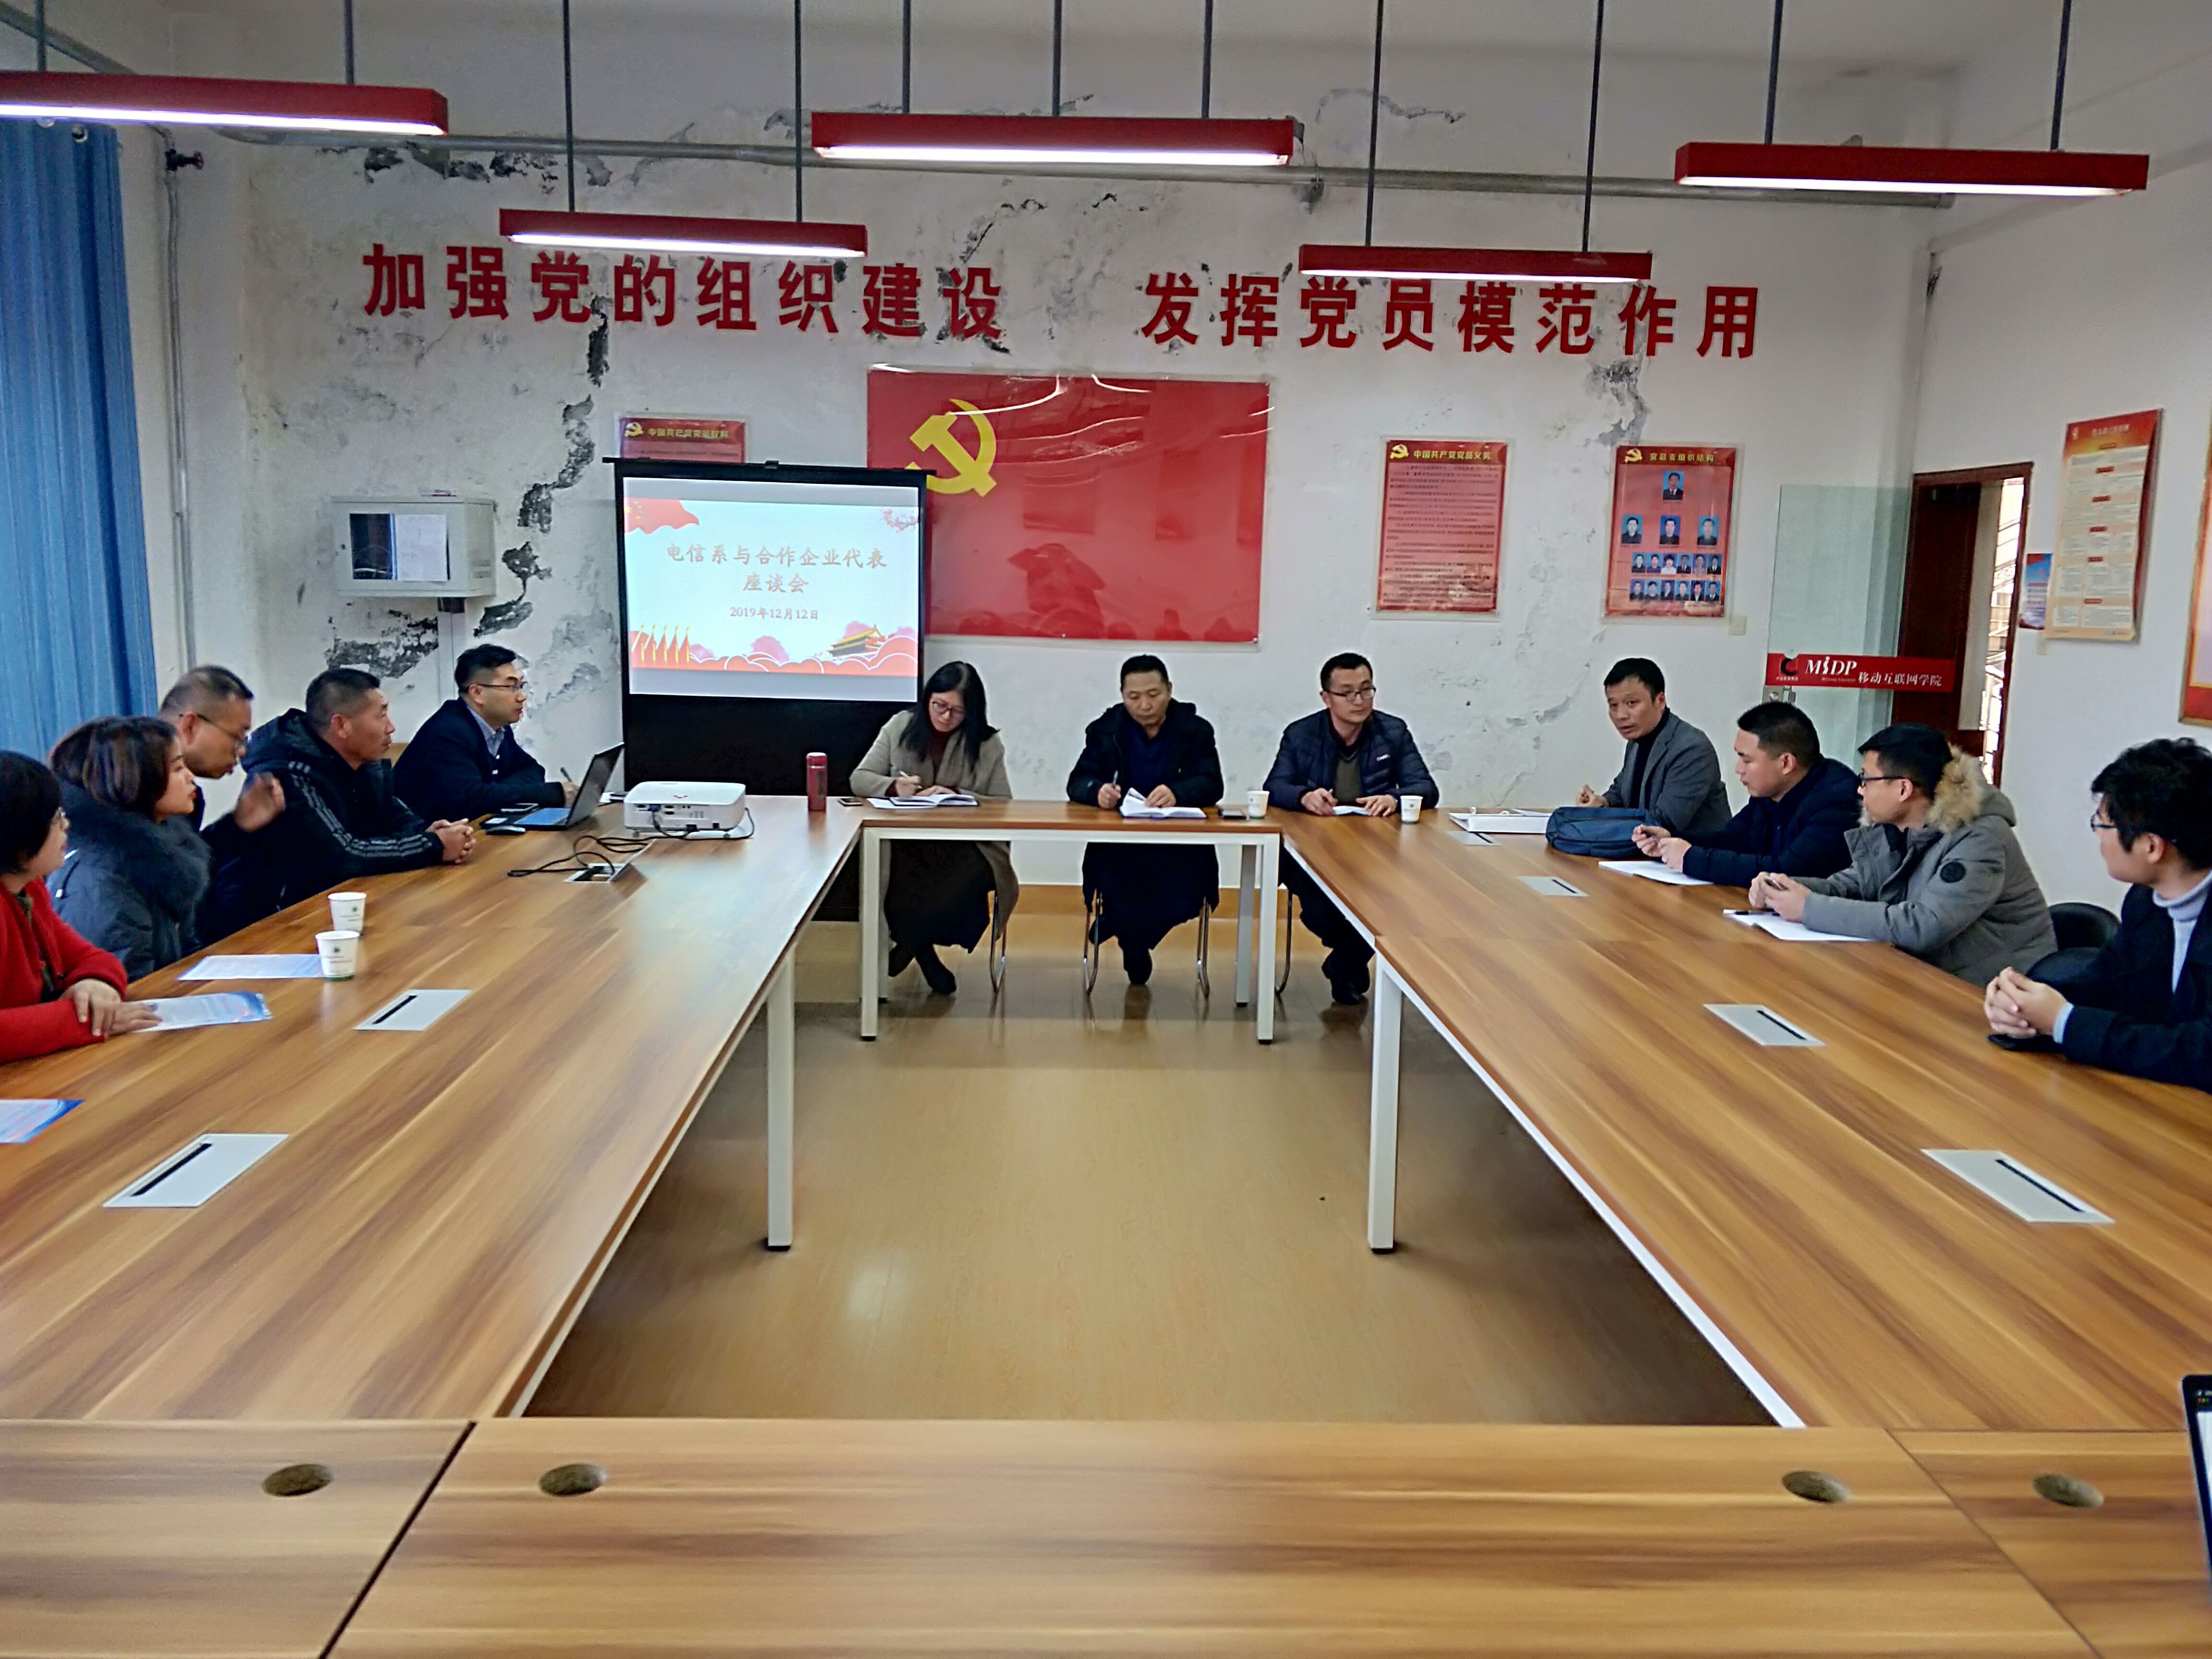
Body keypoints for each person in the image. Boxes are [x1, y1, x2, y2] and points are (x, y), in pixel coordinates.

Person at [1751, 722, 2055, 985]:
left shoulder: (1981, 839)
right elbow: (1854, 885)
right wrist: (1783, 888)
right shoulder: (1898, 827)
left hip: (1992, 994)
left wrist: (1809, 908)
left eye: (1866, 779)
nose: (1859, 790)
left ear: (1903, 789)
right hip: (1923, 976)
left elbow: (1925, 925)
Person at [1987, 738, 2212, 1091]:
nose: (2097, 835)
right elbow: (2113, 985)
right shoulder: (2147, 900)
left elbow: (2202, 1053)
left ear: (2152, 847)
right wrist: (2026, 1004)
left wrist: (2064, 1022)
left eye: (2103, 825)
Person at [211, 668, 474, 932]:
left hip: (343, 907)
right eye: (381, 715)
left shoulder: (360, 761)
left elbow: (396, 819)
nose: (391, 727)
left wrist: (430, 833)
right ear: (341, 726)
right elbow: (343, 856)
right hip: (275, 925)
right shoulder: (287, 774)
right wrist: (433, 846)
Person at [1263, 651, 1439, 1004]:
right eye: (1347, 693)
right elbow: (1274, 787)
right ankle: (1349, 961)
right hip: (1314, 848)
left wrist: (1393, 798)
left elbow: (1426, 789)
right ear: (1326, 698)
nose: (1359, 701)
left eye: (1366, 690)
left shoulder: (1393, 732)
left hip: (1377, 852)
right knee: (1321, 911)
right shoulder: (1301, 735)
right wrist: (1303, 797)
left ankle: (1344, 964)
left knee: (1386, 909)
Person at [851, 661, 1017, 996]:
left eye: (957, 711)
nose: (945, 716)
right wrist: (893, 787)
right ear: (927, 699)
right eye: (939, 705)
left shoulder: (986, 743)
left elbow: (1003, 804)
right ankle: (923, 952)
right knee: (895, 876)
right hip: (906, 841)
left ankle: (912, 943)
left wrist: (958, 794)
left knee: (962, 883)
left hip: (964, 845)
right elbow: (860, 778)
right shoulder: (901, 726)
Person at [1066, 654, 1224, 986]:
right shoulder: (1106, 730)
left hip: (1179, 847)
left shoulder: (1194, 730)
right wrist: (1097, 792)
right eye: (1134, 697)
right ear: (1122, 695)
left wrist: (1179, 792)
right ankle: (1130, 937)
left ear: (1169, 690)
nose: (1145, 705)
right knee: (1118, 892)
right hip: (1120, 846)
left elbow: (1212, 783)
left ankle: (1128, 934)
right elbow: (1078, 781)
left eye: (1154, 695)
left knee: (1183, 899)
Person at [0, 751, 156, 1060]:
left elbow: (92, 957)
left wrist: (95, 984)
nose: (66, 824)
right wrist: (83, 1020)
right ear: (19, 837)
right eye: (54, 819)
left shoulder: (28, 889)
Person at [46, 717, 211, 979]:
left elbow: (188, 956)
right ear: (135, 779)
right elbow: (124, 987)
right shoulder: (101, 879)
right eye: (178, 768)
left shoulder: (168, 854)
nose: (191, 777)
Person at [1632, 701, 1857, 886]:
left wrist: (1691, 858)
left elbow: (1788, 871)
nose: (1738, 769)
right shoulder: (1770, 793)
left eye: (1747, 760)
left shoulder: (1837, 800)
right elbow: (1732, 840)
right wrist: (1671, 840)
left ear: (1786, 763)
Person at [158, 665, 285, 944]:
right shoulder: (140, 799)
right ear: (190, 726)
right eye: (237, 737)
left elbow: (189, 864)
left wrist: (236, 827)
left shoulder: (187, 796)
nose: (242, 751)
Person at [392, 644, 567, 823]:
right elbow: (469, 801)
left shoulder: (498, 726)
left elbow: (532, 769)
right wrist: (552, 793)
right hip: (425, 835)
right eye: (512, 687)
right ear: (477, 693)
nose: (522, 697)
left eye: (521, 686)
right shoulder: (448, 732)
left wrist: (493, 792)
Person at [1576, 658, 1730, 836]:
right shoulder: (1637, 741)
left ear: (1660, 701)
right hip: (1646, 848)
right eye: (1613, 705)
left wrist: (1604, 820)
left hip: (1694, 851)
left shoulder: (1691, 748)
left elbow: (1663, 823)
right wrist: (1602, 803)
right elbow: (1622, 792)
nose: (1621, 715)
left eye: (1632, 703)